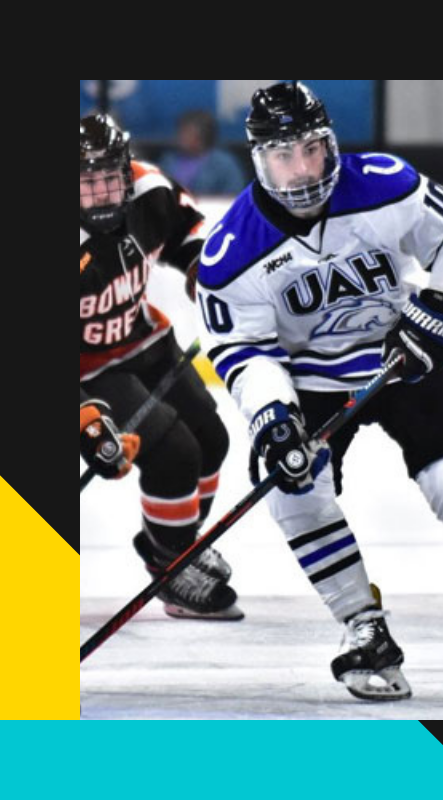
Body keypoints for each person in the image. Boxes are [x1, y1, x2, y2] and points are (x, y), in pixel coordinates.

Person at [195, 81, 443, 701]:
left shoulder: (384, 184)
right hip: (307, 380)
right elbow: (243, 350)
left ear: (330, 143)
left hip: (402, 352)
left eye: (312, 149)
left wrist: (442, 308)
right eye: (284, 155)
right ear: (259, 160)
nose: (303, 169)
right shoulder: (232, 252)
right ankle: (363, 627)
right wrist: (274, 417)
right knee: (295, 492)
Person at [80, 114, 242, 621]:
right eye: (87, 184)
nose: (103, 194)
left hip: (143, 339)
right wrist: (82, 419)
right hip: (85, 372)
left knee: (213, 440)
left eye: (110, 179)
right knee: (175, 453)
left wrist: (201, 267)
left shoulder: (148, 187)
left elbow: (188, 228)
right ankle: (171, 568)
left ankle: (175, 543)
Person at [160, 109, 247, 196]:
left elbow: (234, 196)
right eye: (180, 131)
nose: (179, 136)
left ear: (201, 136)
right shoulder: (168, 160)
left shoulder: (225, 164)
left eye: (186, 133)